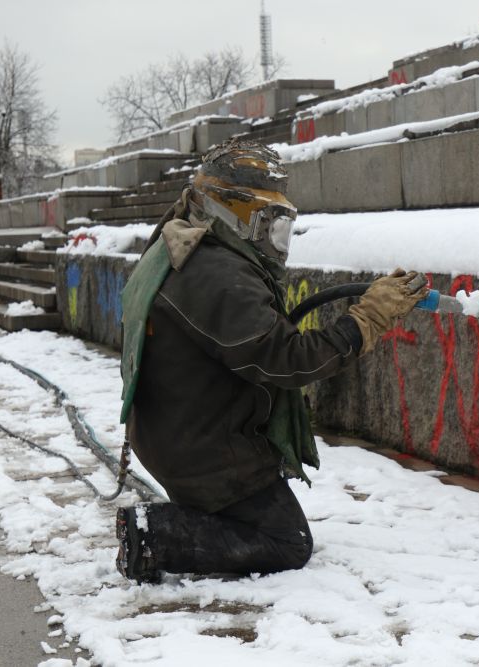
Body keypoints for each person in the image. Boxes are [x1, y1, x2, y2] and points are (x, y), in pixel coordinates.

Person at [115, 138, 427, 583]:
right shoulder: (216, 273)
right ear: (233, 212)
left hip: (173, 433)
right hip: (201, 452)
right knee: (288, 542)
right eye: (268, 222)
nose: (273, 238)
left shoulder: (181, 243)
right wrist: (367, 320)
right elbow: (286, 360)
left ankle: (189, 511)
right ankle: (155, 536)